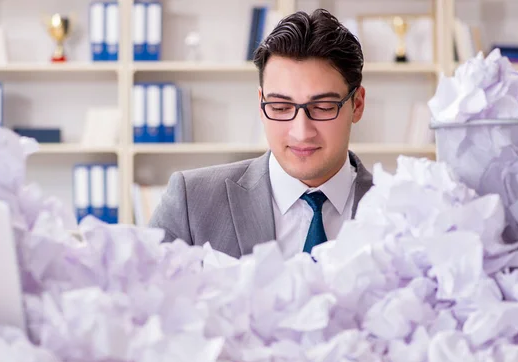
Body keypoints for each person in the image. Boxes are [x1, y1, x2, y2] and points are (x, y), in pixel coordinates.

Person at [148, 8, 372, 259]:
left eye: (322, 108)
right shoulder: (190, 201)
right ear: (261, 103)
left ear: (358, 105)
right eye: (280, 107)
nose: (301, 132)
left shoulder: (404, 211)